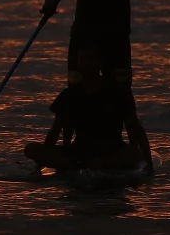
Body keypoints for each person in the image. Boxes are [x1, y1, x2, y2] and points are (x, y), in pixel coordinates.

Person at [24, 47, 152, 173]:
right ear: (78, 63)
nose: (88, 64)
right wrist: (40, 165)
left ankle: (100, 165)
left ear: (100, 62)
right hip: (79, 150)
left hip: (112, 149)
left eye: (92, 59)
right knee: (31, 149)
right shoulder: (69, 94)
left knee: (134, 154)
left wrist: (149, 163)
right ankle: (81, 165)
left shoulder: (118, 92)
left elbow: (136, 127)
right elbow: (54, 131)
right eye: (83, 60)